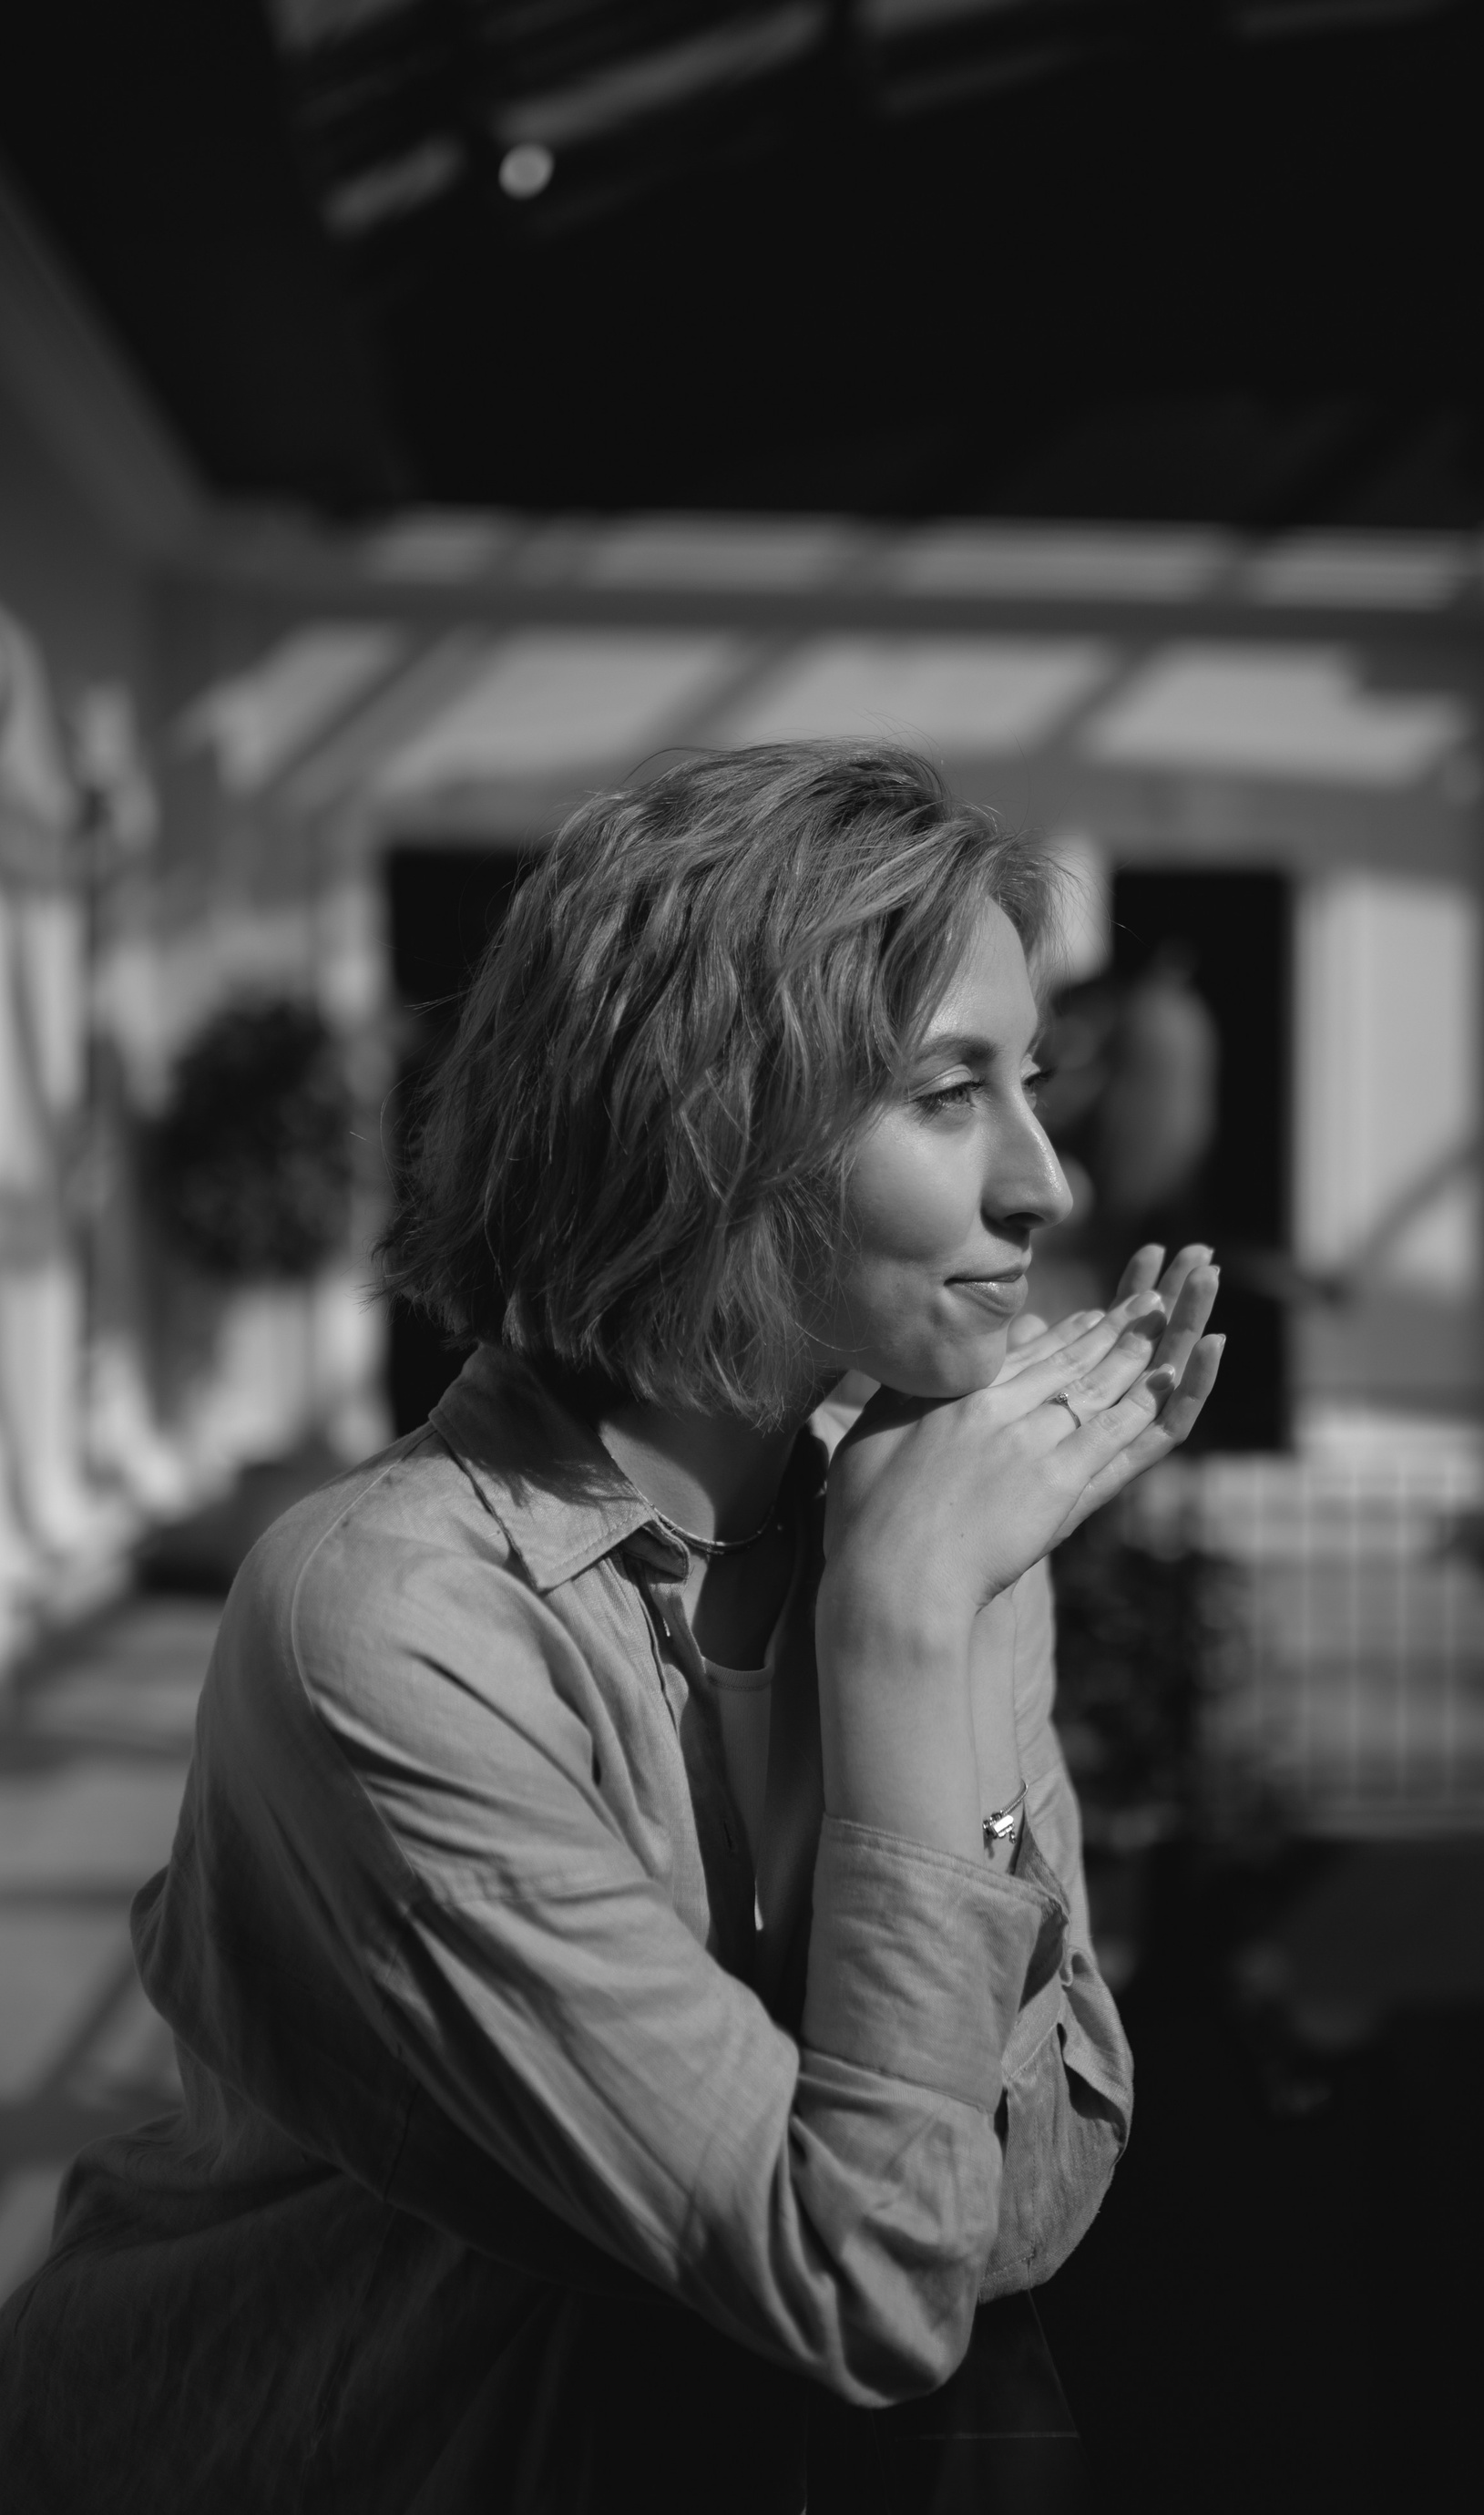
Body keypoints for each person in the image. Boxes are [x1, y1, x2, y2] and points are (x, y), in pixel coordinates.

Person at [0, 742, 1223, 2510]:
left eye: (1030, 1084)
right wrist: (895, 1639)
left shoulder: (935, 1528)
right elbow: (874, 2284)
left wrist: (917, 1594)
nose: (1049, 1185)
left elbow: (1031, 2189)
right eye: (950, 1094)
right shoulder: (391, 1629)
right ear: (714, 1125)